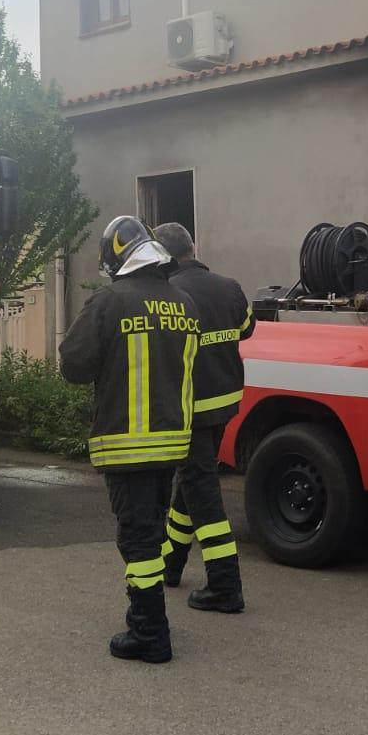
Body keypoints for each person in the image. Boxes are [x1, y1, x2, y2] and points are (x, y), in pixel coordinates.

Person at [60, 216, 201, 664]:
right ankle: (148, 620)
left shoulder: (109, 301)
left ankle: (149, 633)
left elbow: (73, 366)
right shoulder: (184, 302)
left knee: (137, 540)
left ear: (117, 258)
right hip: (172, 443)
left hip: (127, 444)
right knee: (153, 532)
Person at [153, 222, 255, 613]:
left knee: (202, 490)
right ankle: (171, 563)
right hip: (225, 403)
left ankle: (225, 585)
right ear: (192, 248)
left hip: (190, 407)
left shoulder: (169, 294)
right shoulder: (229, 287)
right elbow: (247, 329)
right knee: (192, 482)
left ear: (164, 257)